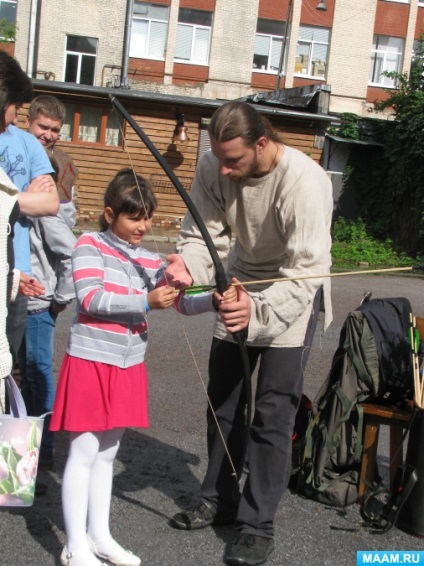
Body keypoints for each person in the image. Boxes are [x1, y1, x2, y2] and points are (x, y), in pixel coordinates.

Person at [166, 101, 333, 566]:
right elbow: (204, 237)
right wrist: (188, 265)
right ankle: (220, 498)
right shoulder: (213, 164)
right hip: (237, 280)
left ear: (262, 143)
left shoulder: (304, 181)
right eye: (218, 157)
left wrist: (256, 313)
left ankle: (257, 524)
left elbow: (308, 270)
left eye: (233, 160)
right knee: (222, 402)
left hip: (289, 292)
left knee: (272, 414)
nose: (224, 169)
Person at [49, 168, 226, 566]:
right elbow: (91, 299)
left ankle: (101, 536)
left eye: (147, 217)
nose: (143, 225)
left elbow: (179, 301)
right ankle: (75, 545)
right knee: (83, 451)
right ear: (110, 213)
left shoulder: (148, 257)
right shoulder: (88, 244)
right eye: (134, 217)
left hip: (128, 364)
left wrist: (211, 300)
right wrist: (146, 302)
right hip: (92, 360)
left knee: (108, 453)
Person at [18, 95, 78, 470]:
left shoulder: (49, 179)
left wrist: (60, 298)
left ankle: (43, 454)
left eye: (55, 130)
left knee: (38, 372)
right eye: (44, 128)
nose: (50, 135)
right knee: (19, 374)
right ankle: (20, 453)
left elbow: (69, 249)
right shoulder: (21, 160)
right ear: (29, 121)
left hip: (38, 301)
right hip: (15, 292)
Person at [0, 55, 59, 374]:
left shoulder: (26, 143)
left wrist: (9, 201)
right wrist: (21, 198)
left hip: (14, 273)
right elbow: (32, 201)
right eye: (16, 108)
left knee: (8, 364)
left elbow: (50, 203)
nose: (13, 118)